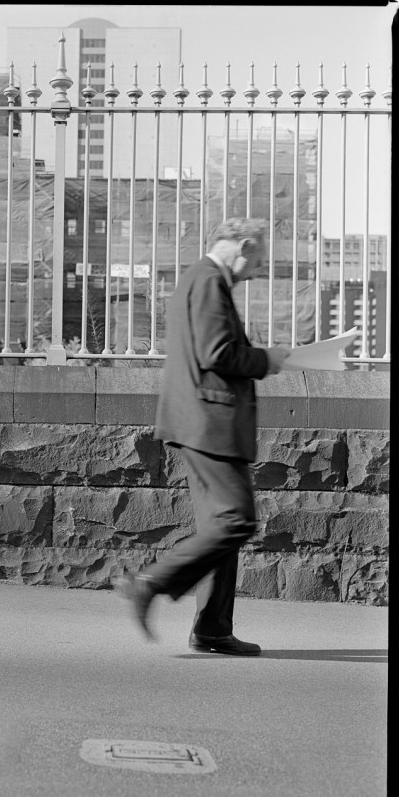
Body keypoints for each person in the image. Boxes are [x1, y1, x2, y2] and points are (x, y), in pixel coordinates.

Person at [118, 218, 291, 655]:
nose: (258, 268)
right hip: (208, 423)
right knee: (237, 520)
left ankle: (213, 627)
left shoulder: (202, 279)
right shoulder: (209, 279)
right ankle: (150, 582)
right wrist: (268, 359)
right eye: (259, 258)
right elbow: (217, 353)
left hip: (201, 421)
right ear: (243, 245)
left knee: (220, 527)